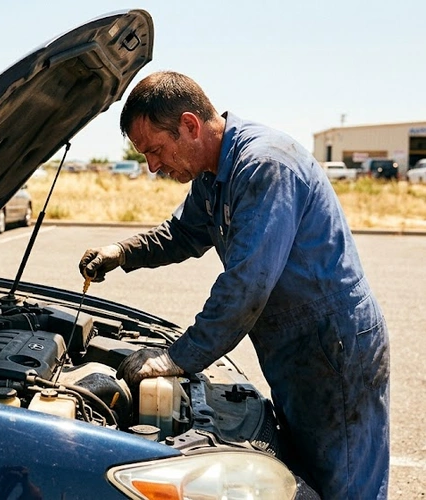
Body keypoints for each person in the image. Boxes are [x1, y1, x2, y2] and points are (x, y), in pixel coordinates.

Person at [79, 71, 389, 499]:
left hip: (332, 348)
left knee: (346, 486)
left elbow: (247, 285)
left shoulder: (264, 165)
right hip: (296, 350)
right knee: (304, 481)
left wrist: (178, 357)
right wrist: (123, 251)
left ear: (189, 125)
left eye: (155, 150)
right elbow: (181, 234)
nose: (152, 167)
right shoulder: (212, 173)